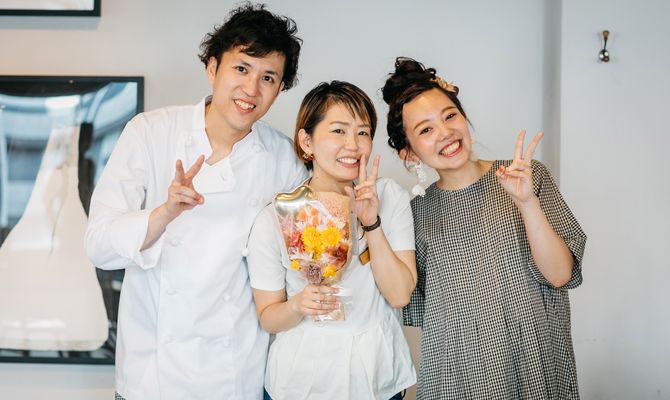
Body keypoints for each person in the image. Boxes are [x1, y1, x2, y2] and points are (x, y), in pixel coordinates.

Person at [84, 4, 307, 399]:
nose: (251, 90)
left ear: (279, 88)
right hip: (152, 377)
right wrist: (164, 213)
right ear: (212, 68)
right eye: (241, 69)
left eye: (268, 77)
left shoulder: (284, 160)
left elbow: (300, 261)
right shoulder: (150, 133)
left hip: (234, 375)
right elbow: (99, 246)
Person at [381, 58, 587, 399]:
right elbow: (413, 304)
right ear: (409, 153)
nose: (445, 132)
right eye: (426, 130)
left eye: (449, 116)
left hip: (533, 363)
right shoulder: (414, 214)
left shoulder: (526, 175)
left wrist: (526, 203)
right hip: (457, 375)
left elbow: (560, 275)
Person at [246, 81, 417, 400]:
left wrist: (372, 223)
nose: (353, 145)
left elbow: (399, 295)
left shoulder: (389, 196)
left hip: (376, 376)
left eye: (363, 132)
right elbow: (269, 317)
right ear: (306, 141)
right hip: (300, 382)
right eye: (338, 131)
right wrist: (298, 304)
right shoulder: (277, 217)